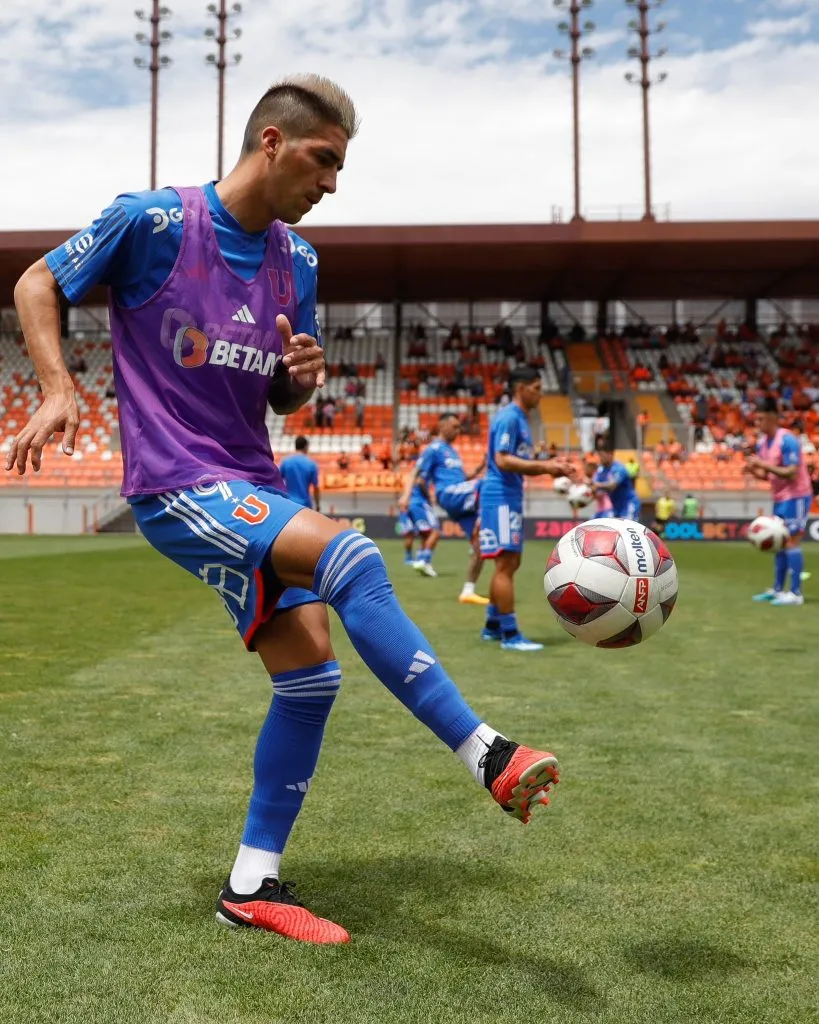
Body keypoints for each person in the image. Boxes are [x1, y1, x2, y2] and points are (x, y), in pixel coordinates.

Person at [6, 75, 561, 946]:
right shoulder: (153, 221)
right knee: (354, 558)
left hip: (251, 484)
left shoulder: (296, 264)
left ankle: (249, 886)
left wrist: (295, 381)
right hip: (178, 485)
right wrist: (56, 385)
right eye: (323, 160)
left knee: (310, 680)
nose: (333, 184)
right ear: (271, 141)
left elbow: (279, 396)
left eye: (341, 168)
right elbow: (38, 281)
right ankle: (486, 751)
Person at [480, 366, 575, 651]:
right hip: (501, 496)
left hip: (508, 496)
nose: (541, 393)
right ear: (520, 388)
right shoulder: (510, 417)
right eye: (536, 387)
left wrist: (547, 462)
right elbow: (503, 460)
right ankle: (510, 635)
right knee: (505, 564)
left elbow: (517, 458)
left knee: (509, 563)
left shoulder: (520, 419)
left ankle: (492, 626)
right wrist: (546, 467)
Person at [399, 412, 489, 604]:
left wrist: (482, 465)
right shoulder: (434, 449)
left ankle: (468, 591)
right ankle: (481, 523)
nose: (458, 430)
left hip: (460, 494)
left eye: (459, 427)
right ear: (442, 427)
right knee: (487, 486)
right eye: (454, 426)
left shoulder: (453, 452)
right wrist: (406, 495)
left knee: (481, 544)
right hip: (447, 494)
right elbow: (415, 472)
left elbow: (464, 480)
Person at [746, 397, 813, 606]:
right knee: (780, 542)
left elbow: (792, 473)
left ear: (774, 418)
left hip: (797, 496)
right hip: (780, 497)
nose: (759, 424)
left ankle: (795, 593)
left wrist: (762, 464)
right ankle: (777, 590)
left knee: (791, 541)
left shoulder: (788, 440)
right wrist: (754, 471)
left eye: (762, 419)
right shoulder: (762, 443)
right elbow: (771, 476)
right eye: (757, 420)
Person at [592, 449, 642, 521]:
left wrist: (596, 485)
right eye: (599, 455)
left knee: (627, 527)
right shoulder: (601, 470)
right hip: (616, 506)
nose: (600, 458)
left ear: (610, 454)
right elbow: (595, 487)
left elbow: (612, 486)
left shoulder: (619, 468)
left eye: (602, 455)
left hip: (629, 503)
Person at [280, 435, 320, 511]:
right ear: (306, 447)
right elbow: (316, 487)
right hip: (305, 504)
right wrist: (318, 505)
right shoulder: (311, 464)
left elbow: (277, 480)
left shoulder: (286, 462)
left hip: (289, 503)